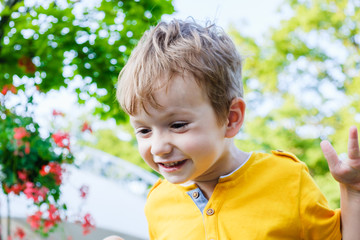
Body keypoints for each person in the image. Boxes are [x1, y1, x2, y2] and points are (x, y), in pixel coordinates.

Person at [107, 19, 360, 239]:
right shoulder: (157, 202)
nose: (159, 147)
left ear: (231, 118)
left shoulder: (286, 178)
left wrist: (353, 191)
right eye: (144, 131)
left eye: (177, 125)